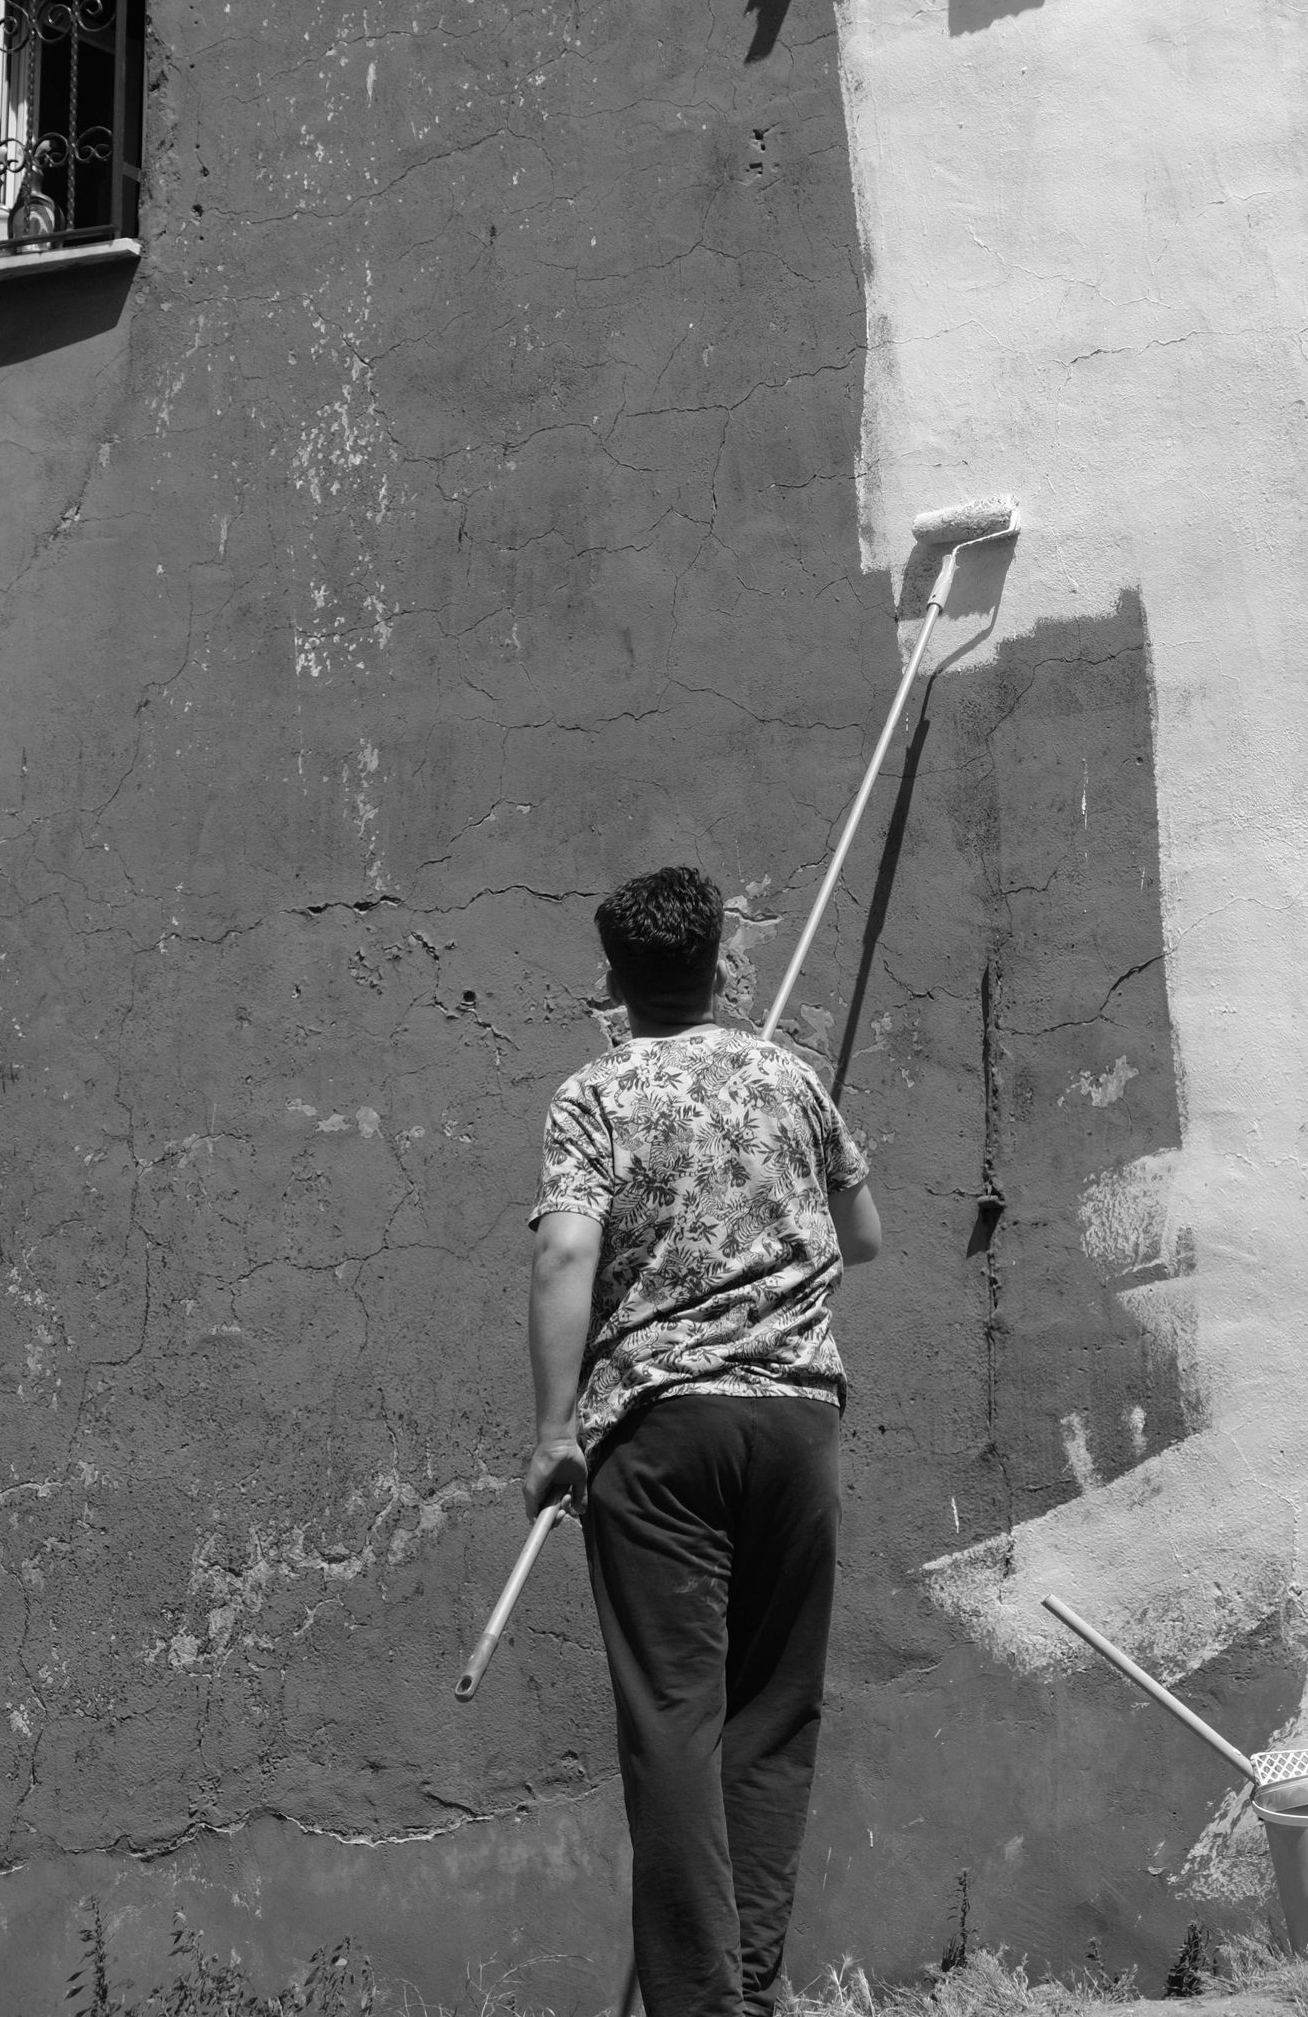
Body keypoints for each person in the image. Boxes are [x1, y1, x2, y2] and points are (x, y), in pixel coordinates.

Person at [523, 862, 881, 2017]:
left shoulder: (594, 1096)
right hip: (793, 1427)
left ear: (611, 981)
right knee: (774, 1710)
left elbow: (567, 1253)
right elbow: (861, 1235)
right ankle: (754, 1989)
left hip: (659, 1434)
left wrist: (549, 1429)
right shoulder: (790, 1079)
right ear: (725, 963)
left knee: (675, 1721)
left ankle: (697, 2004)